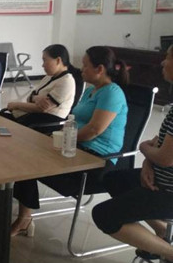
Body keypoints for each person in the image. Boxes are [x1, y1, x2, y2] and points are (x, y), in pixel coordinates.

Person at [11, 46, 129, 237]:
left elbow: (93, 130)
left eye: (85, 65)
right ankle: (25, 216)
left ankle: (24, 218)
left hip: (96, 161)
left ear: (99, 69)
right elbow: (73, 121)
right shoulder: (91, 90)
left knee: (28, 162)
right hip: (76, 148)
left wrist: (64, 139)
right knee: (25, 153)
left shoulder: (112, 93)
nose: (81, 69)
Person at [92, 45, 173, 263]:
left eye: (168, 58)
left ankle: (170, 253)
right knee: (113, 179)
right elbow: (159, 145)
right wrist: (148, 161)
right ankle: (161, 232)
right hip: (159, 177)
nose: (163, 62)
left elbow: (165, 157)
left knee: (104, 215)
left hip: (168, 191)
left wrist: (145, 150)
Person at [3, 44, 78, 126]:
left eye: (45, 60)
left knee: (3, 122)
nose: (43, 65)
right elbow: (30, 98)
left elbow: (42, 108)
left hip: (47, 122)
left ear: (58, 60)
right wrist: (36, 98)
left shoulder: (66, 81)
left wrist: (16, 104)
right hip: (35, 116)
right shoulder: (48, 77)